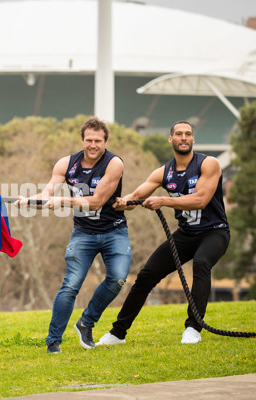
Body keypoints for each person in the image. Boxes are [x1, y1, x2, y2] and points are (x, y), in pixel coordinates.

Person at [98, 120, 229, 346]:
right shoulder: (164, 172)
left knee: (201, 264)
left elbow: (201, 200)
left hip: (214, 232)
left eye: (188, 134)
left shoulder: (209, 164)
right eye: (179, 134)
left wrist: (164, 200)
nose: (184, 138)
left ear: (193, 139)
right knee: (146, 275)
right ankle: (117, 333)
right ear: (171, 139)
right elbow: (137, 195)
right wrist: (122, 202)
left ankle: (193, 328)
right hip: (186, 234)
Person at [15, 116, 131, 354]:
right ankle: (53, 341)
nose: (93, 145)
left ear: (105, 141)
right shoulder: (65, 164)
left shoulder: (114, 164)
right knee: (70, 285)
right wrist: (29, 201)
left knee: (118, 278)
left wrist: (62, 201)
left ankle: (86, 322)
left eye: (98, 141)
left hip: (114, 231)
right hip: (83, 233)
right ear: (82, 140)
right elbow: (48, 193)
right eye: (89, 140)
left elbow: (97, 202)